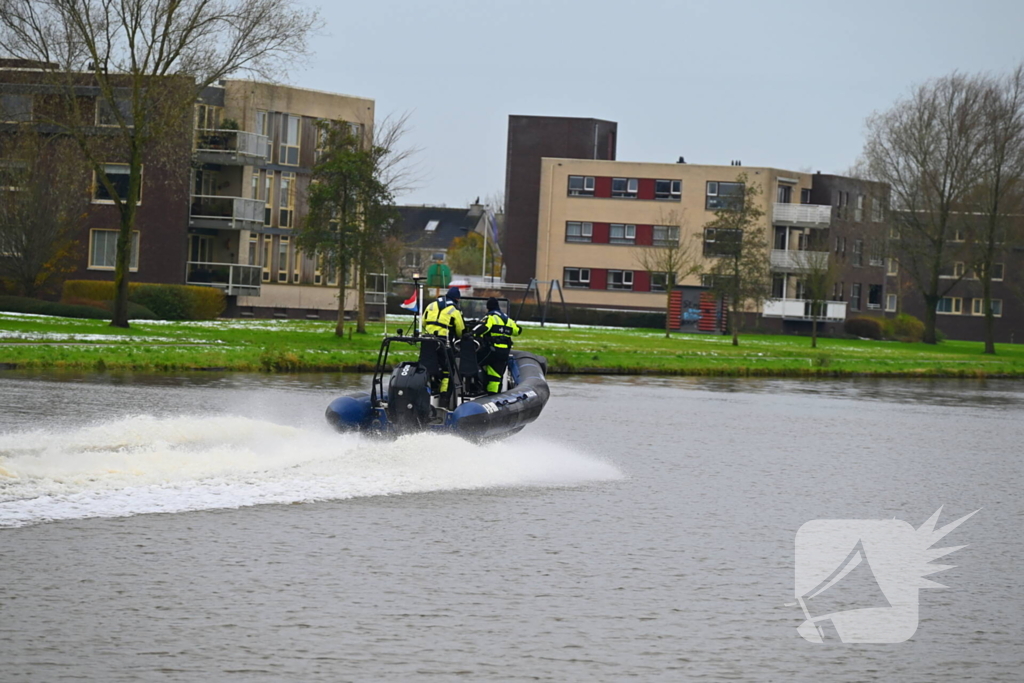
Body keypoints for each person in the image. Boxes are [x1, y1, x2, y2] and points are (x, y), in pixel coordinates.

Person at [422, 286, 466, 397]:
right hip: (443, 342)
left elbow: (423, 323)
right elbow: (460, 330)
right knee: (447, 367)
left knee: (427, 365)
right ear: (457, 299)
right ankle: (444, 393)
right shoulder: (454, 310)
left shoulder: (431, 305)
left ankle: (429, 387)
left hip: (427, 341)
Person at [473, 297, 522, 394]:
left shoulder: (490, 317)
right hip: (504, 353)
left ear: (488, 307)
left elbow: (484, 328)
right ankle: (493, 395)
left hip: (491, 351)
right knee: (495, 376)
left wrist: (471, 334)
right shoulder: (508, 319)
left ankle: (475, 387)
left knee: (472, 363)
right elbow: (518, 331)